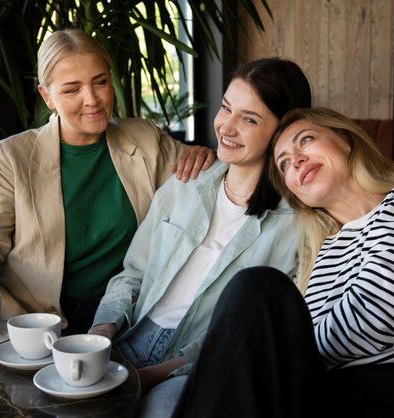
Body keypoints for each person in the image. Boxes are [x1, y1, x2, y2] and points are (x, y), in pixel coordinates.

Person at [172, 107, 394, 418]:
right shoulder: (324, 254)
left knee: (257, 288)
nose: (297, 161)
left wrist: (285, 353)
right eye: (285, 164)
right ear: (294, 192)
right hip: (336, 394)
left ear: (346, 140)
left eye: (306, 140)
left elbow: (390, 311)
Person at [0, 29, 215, 337]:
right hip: (19, 310)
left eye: (100, 82)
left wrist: (203, 154)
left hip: (107, 313)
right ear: (47, 96)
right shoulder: (13, 155)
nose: (92, 100)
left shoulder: (145, 139)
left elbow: (216, 176)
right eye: (72, 90)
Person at [88, 57, 312, 417]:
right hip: (130, 338)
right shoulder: (185, 181)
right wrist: (101, 332)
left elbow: (247, 334)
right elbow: (133, 273)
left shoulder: (297, 224)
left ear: (281, 131)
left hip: (195, 364)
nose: (227, 126)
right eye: (226, 108)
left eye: (249, 119)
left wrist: (155, 375)